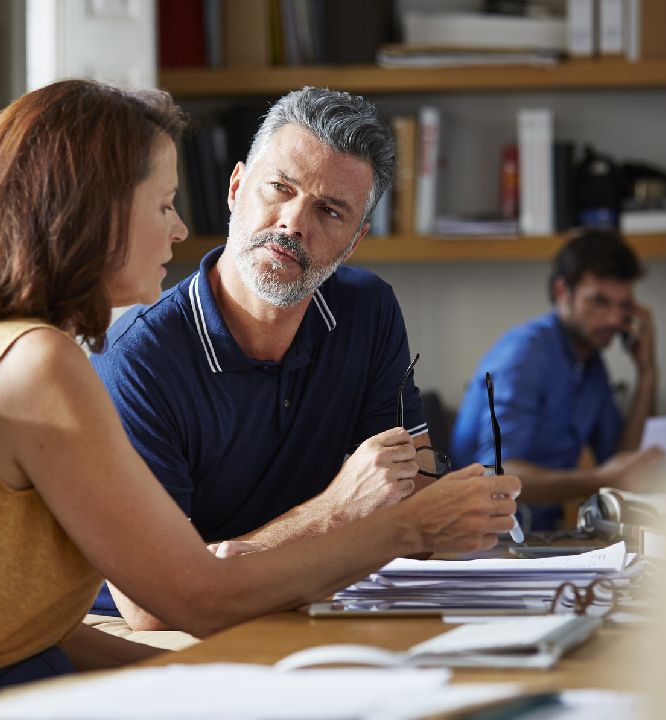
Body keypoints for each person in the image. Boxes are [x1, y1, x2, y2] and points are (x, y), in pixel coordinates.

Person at [0, 79, 518, 719]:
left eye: (329, 210)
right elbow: (192, 599)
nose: (178, 231)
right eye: (164, 203)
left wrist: (192, 671)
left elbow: (16, 628)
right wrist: (403, 526)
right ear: (95, 212)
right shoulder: (40, 365)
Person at [87, 86, 452, 630]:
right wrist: (337, 513)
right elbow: (155, 606)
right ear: (236, 188)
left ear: (353, 242)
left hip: (309, 610)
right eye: (279, 188)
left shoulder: (367, 310)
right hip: (161, 647)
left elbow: (413, 495)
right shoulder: (137, 360)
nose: (293, 224)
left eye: (330, 211)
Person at [449, 231, 663, 532]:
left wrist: (647, 372)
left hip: (539, 536)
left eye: (625, 306)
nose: (615, 320)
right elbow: (496, 475)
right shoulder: (524, 355)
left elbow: (624, 463)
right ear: (563, 292)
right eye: (600, 302)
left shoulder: (591, 364)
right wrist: (600, 480)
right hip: (481, 539)